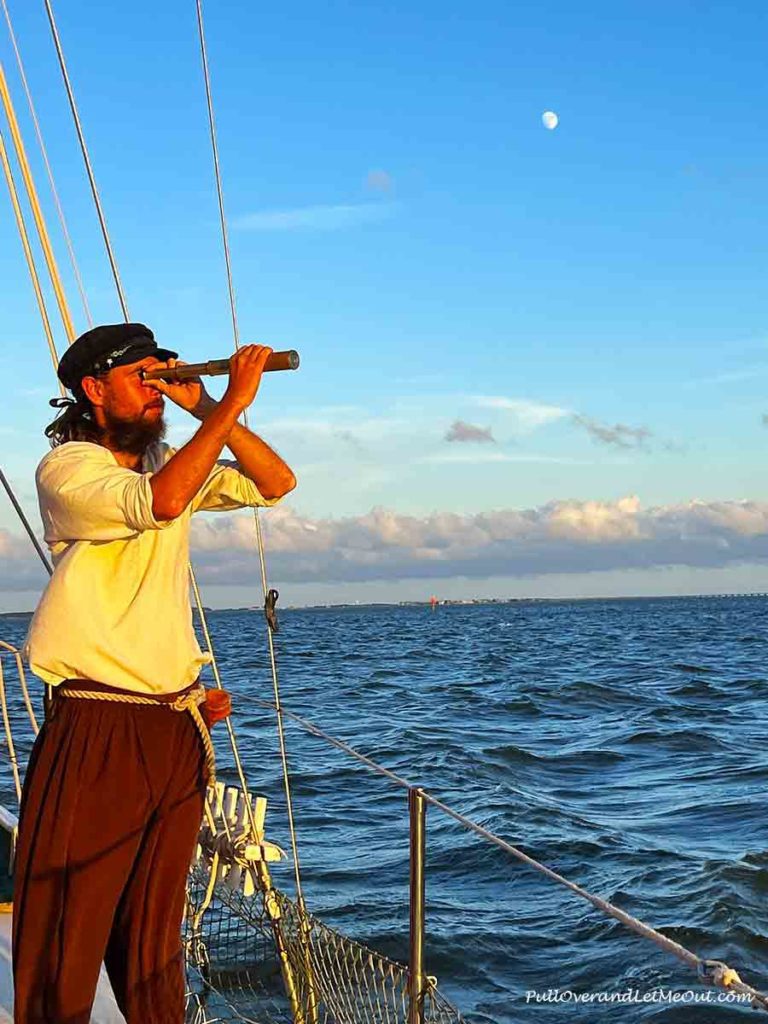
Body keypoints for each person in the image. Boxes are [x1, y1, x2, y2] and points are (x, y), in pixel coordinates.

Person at [14, 322, 296, 1024]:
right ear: (92, 389)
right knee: (66, 931)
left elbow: (276, 482)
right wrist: (233, 401)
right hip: (99, 725)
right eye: (140, 376)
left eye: (159, 375)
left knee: (152, 939)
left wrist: (207, 408)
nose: (154, 389)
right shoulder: (70, 471)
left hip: (175, 724)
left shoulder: (173, 459)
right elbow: (160, 504)